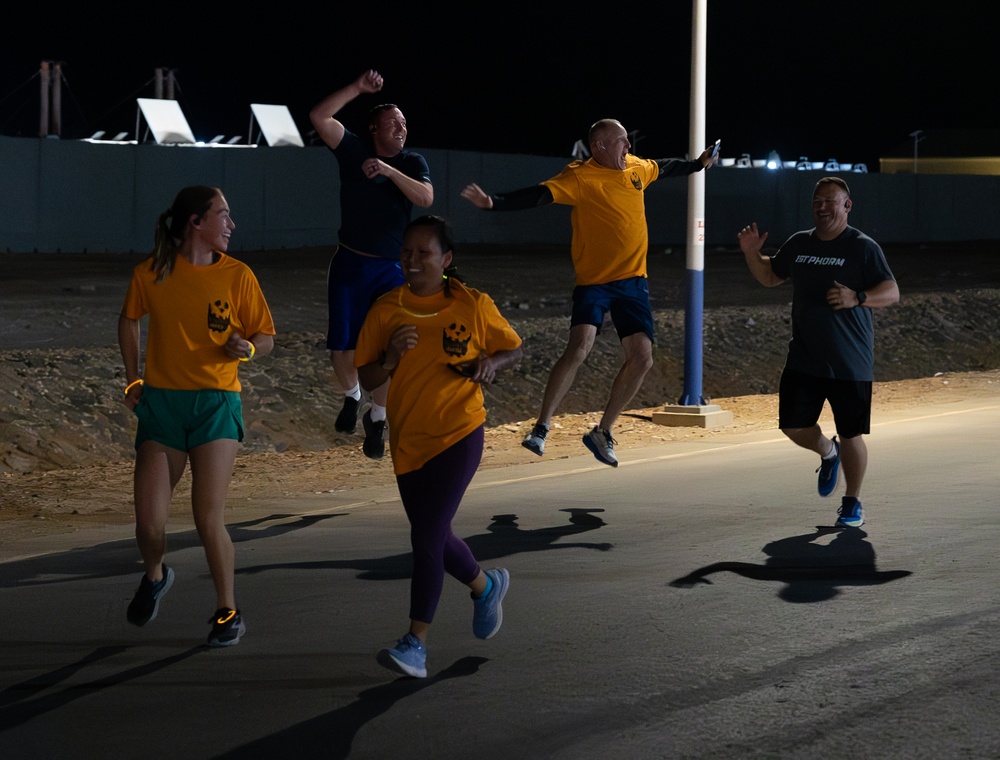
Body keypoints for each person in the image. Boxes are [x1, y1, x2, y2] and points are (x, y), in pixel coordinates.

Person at [461, 118, 716, 467]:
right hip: (594, 281)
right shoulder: (580, 176)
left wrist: (699, 164)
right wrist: (494, 202)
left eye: (628, 141)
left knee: (643, 357)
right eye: (621, 141)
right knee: (580, 347)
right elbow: (539, 194)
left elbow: (668, 167)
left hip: (632, 282)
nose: (628, 147)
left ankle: (603, 431)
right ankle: (541, 427)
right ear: (599, 146)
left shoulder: (637, 168)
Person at [355, 215, 523, 678]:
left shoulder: (472, 305)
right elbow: (367, 376)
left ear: (446, 259)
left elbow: (514, 348)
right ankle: (485, 586)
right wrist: (390, 357)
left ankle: (416, 643)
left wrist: (491, 362)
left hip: (459, 432)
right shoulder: (386, 309)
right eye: (406, 252)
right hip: (409, 443)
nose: (412, 260)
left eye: (423, 252)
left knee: (425, 535)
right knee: (436, 534)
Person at [118, 186, 276, 646]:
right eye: (223, 215)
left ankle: (228, 611)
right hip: (162, 407)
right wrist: (132, 379)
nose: (231, 224)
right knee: (148, 524)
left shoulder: (238, 275)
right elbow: (129, 320)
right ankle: (155, 576)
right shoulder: (151, 274)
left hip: (215, 404)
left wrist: (248, 348)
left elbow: (265, 337)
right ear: (196, 222)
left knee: (208, 517)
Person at [737, 177, 900, 528]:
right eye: (817, 201)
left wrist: (857, 298)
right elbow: (770, 277)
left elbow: (891, 292)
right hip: (805, 356)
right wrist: (752, 254)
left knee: (852, 432)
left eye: (830, 201)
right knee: (793, 425)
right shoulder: (799, 243)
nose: (822, 207)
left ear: (847, 205)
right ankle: (829, 452)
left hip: (849, 361)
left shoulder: (862, 247)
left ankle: (852, 502)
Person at [310, 69, 434, 459]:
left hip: (389, 270)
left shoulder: (412, 162)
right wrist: (357, 88)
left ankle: (377, 419)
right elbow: (319, 117)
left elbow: (426, 199)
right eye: (392, 122)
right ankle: (352, 396)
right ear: (374, 128)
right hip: (350, 262)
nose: (401, 127)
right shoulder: (354, 150)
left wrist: (389, 170)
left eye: (404, 123)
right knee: (341, 349)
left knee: (387, 350)